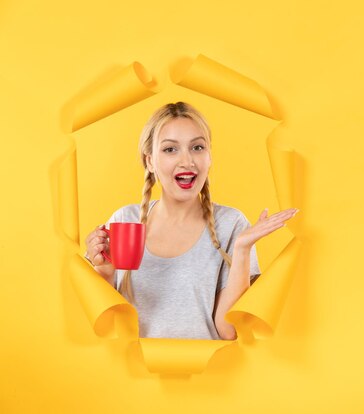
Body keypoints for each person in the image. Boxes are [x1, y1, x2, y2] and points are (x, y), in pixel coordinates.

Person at [82, 102, 298, 340]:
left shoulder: (231, 224)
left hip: (207, 372)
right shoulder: (124, 221)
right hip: (133, 373)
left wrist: (242, 249)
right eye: (170, 150)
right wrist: (103, 271)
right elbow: (104, 324)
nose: (187, 161)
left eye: (197, 147)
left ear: (209, 157)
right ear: (150, 161)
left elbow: (229, 330)